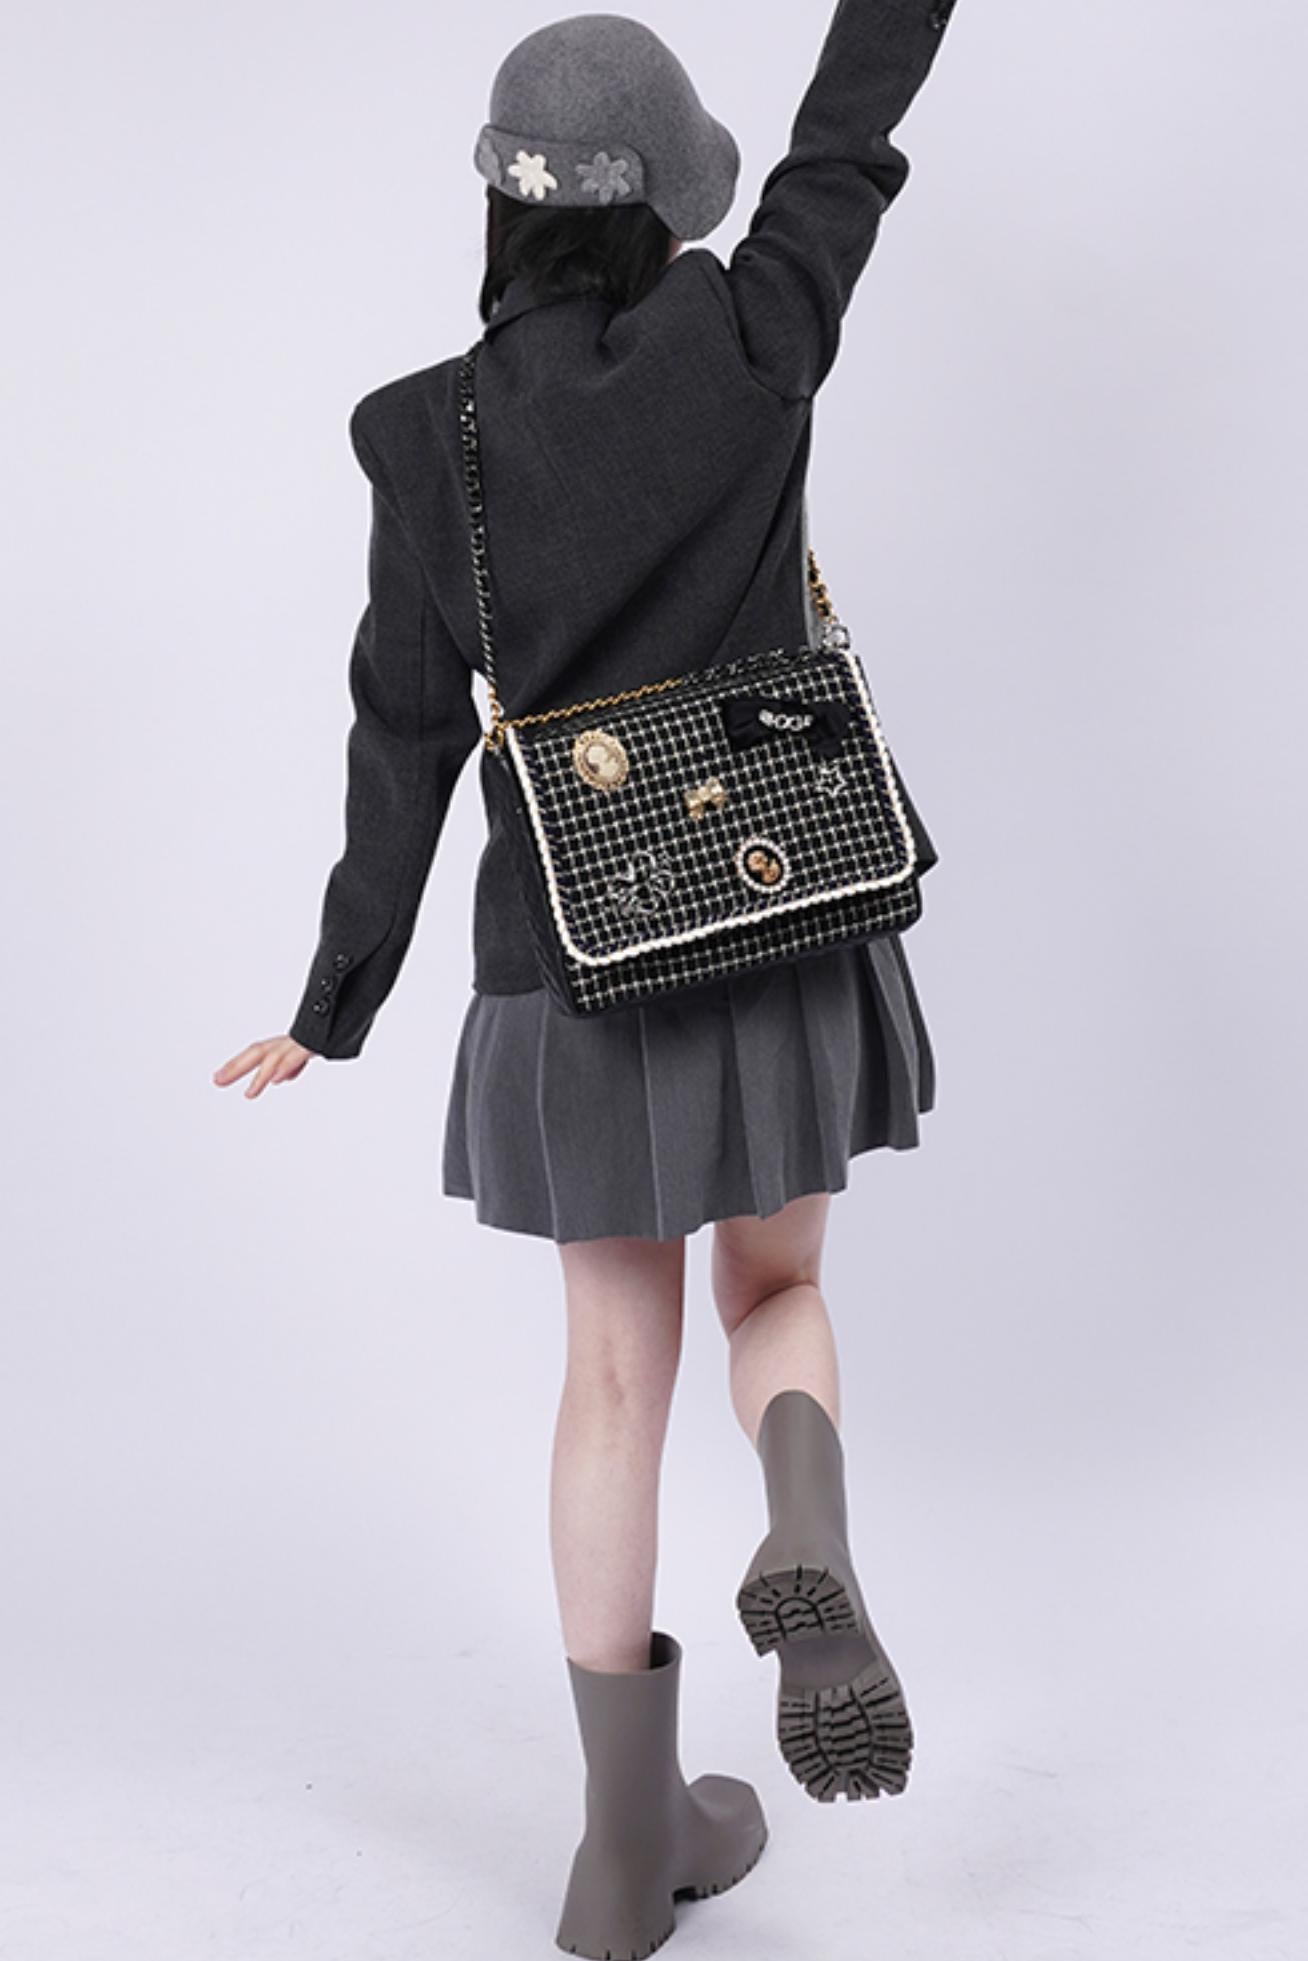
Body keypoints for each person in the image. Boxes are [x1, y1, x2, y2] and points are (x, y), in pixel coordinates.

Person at [213, 3, 960, 1952]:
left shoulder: (427, 438)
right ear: (659, 207)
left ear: (504, 210)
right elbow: (847, 138)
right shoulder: (754, 329)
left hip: (577, 960)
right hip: (783, 908)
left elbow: (400, 737)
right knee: (775, 1291)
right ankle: (804, 1527)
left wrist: (333, 996)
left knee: (611, 1375)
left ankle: (625, 1852)